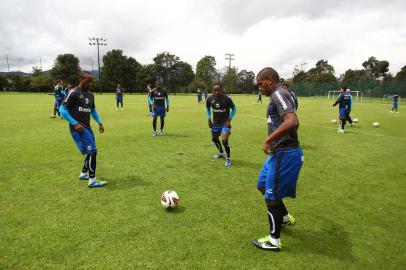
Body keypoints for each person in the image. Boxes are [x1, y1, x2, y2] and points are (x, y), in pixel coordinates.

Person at [251, 67, 303, 252]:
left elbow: (292, 121)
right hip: (278, 153)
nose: (259, 88)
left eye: (260, 83)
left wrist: (268, 139)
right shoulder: (278, 94)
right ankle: (285, 218)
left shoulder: (278, 94)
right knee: (262, 186)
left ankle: (274, 240)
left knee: (271, 197)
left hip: (285, 153)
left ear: (270, 81)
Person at [59, 72, 107, 188]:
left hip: (87, 127)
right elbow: (62, 110)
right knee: (92, 152)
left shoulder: (90, 95)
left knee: (91, 150)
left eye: (91, 81)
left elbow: (93, 111)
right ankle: (92, 180)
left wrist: (99, 122)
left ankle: (83, 173)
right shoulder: (73, 93)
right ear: (80, 79)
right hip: (79, 128)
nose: (90, 84)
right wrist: (75, 124)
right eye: (87, 81)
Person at [206, 82, 236, 167]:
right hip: (215, 124)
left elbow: (234, 109)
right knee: (214, 139)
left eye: (218, 90)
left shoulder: (227, 99)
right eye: (215, 90)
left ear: (221, 90)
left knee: (224, 140)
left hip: (225, 124)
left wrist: (229, 120)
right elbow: (207, 109)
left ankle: (228, 158)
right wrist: (209, 119)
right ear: (213, 90)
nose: (216, 92)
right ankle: (221, 153)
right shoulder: (210, 99)